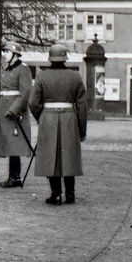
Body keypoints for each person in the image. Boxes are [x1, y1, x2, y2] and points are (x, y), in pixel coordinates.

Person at [29, 44, 87, 205]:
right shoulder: (75, 77)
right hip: (69, 118)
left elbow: (33, 102)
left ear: (50, 58)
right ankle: (70, 194)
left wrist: (41, 116)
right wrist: (82, 129)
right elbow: (82, 106)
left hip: (48, 118)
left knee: (50, 156)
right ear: (65, 58)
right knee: (69, 156)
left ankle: (55, 194)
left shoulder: (42, 76)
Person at [0, 41, 33, 188]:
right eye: (4, 51)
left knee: (15, 145)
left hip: (15, 113)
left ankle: (15, 177)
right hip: (4, 111)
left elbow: (25, 92)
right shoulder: (5, 70)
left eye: (7, 52)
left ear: (15, 54)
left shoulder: (23, 69)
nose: (4, 54)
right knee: (9, 144)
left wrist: (13, 110)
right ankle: (13, 176)